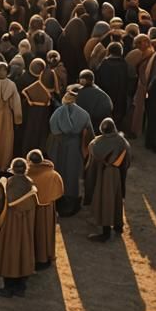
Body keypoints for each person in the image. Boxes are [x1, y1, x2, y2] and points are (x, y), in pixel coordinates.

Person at [0, 159, 38, 298]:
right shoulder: (31, 185)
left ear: (12, 169)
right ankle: (20, 287)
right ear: (25, 169)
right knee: (24, 252)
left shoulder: (7, 185)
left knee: (9, 254)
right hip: (25, 226)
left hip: (10, 225)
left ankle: (8, 288)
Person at [48, 86, 92, 217]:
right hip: (75, 147)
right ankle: (72, 201)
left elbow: (52, 128)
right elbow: (89, 134)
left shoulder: (56, 113)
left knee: (59, 170)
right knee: (73, 173)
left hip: (58, 146)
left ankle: (58, 199)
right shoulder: (83, 114)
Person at [84, 118, 131, 242]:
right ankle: (118, 226)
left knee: (105, 201)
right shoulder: (122, 141)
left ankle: (106, 233)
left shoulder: (96, 143)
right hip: (116, 173)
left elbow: (91, 161)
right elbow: (127, 160)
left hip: (103, 174)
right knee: (116, 199)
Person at [25, 148, 64, 270]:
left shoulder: (26, 177)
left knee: (34, 233)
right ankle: (46, 257)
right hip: (47, 209)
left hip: (31, 210)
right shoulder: (53, 175)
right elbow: (60, 192)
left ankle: (34, 257)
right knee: (46, 233)